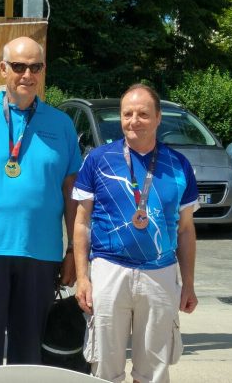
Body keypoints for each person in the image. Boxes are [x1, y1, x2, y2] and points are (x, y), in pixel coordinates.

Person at [0, 36, 83, 371]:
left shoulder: (61, 124)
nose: (27, 74)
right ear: (3, 69)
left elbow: (72, 194)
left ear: (42, 71)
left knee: (32, 353)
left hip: (41, 253)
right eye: (19, 66)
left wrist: (73, 254)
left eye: (34, 67)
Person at [73, 84, 199, 383]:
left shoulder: (179, 165)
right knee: (104, 366)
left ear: (158, 118)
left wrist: (189, 284)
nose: (134, 120)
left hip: (160, 273)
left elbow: (186, 230)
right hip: (109, 269)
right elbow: (81, 223)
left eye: (143, 114)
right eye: (127, 114)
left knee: (153, 370)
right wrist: (82, 277)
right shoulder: (98, 160)